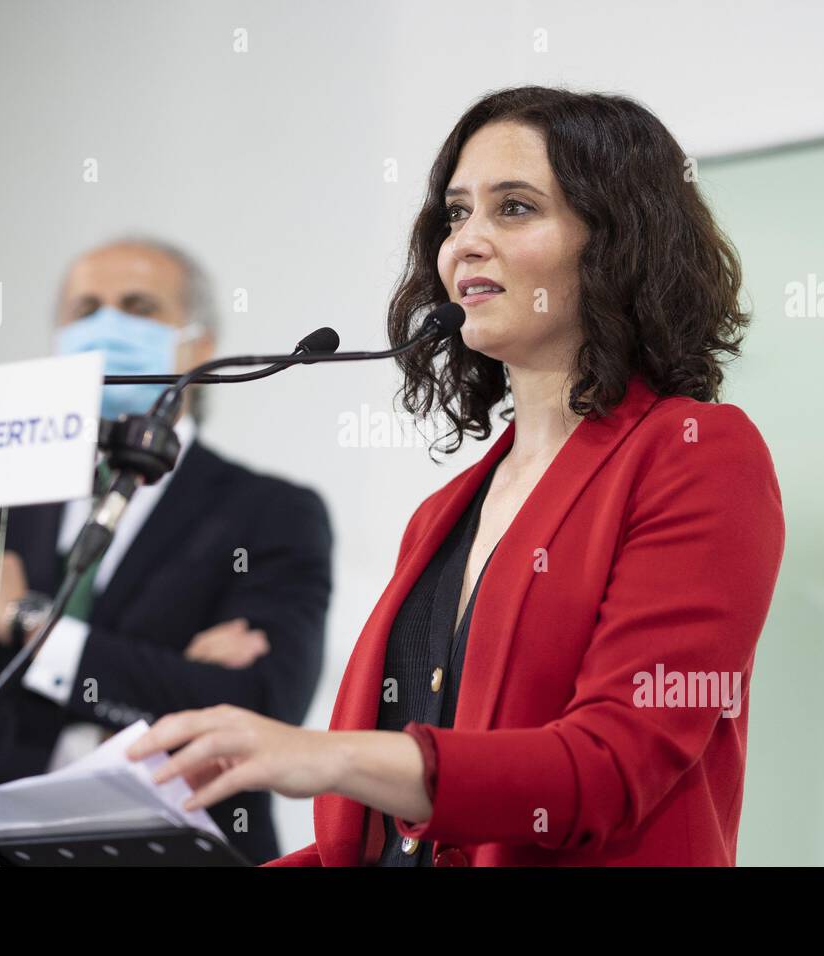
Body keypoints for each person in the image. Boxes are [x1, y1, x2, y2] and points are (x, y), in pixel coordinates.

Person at [125, 87, 786, 866]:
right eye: (455, 213)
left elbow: (609, 766)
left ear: (616, 241)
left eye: (513, 208)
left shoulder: (696, 453)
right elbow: (386, 851)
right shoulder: (447, 510)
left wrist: (325, 756)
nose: (465, 242)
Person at [0, 237, 333, 866]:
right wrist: (93, 746)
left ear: (201, 344)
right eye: (85, 311)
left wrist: (26, 622)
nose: (107, 327)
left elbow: (261, 713)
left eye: (137, 307)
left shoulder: (272, 512)